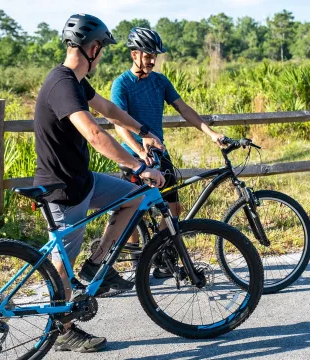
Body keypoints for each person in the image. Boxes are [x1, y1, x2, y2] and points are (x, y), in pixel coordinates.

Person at [33, 14, 165, 353]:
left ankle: (97, 265)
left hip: (83, 181)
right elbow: (94, 133)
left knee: (136, 195)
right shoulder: (62, 83)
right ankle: (62, 331)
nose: (102, 54)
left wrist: (143, 131)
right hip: (61, 190)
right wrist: (137, 164)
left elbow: (106, 108)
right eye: (102, 49)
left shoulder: (76, 82)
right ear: (92, 49)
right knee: (61, 265)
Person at [111, 27, 224, 277]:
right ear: (134, 55)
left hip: (160, 155)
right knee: (132, 210)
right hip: (133, 157)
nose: (152, 60)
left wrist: (211, 133)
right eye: (147, 54)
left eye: (155, 55)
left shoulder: (160, 81)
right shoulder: (121, 84)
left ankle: (162, 256)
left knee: (173, 206)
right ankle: (133, 258)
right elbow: (119, 125)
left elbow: (184, 109)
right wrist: (139, 151)